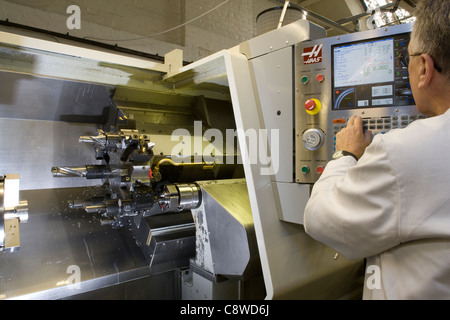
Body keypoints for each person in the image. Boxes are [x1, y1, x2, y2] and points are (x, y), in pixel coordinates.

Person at [303, 0, 450, 300]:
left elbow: (319, 218)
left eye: (405, 57)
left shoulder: (406, 151)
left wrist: (344, 155)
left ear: (424, 67)